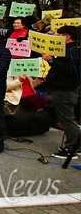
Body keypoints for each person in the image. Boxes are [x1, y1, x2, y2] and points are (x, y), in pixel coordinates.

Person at [41, 25, 80, 159]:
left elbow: (69, 70)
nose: (57, 37)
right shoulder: (67, 50)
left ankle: (71, 149)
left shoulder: (73, 50)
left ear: (67, 36)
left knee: (67, 119)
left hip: (65, 90)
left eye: (59, 34)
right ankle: (75, 145)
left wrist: (51, 60)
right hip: (61, 88)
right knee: (68, 118)